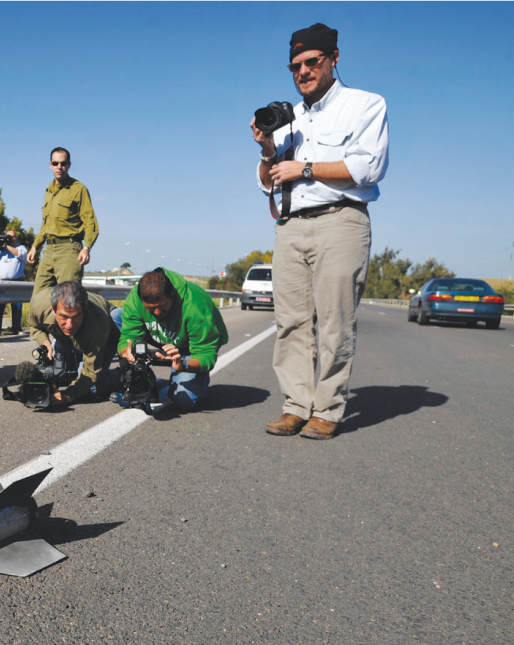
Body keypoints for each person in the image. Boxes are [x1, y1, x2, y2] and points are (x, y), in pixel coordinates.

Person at [250, 23, 389, 439]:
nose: (303, 71)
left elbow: (369, 167)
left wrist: (305, 168)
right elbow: (266, 183)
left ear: (333, 58)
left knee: (334, 322)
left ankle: (327, 409)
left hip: (341, 220)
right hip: (291, 226)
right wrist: (268, 152)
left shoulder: (365, 104)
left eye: (311, 62)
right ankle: (296, 405)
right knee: (290, 322)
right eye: (295, 66)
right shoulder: (287, 118)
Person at [117, 268, 228, 413]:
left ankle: (196, 377)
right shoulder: (135, 299)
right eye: (150, 309)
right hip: (161, 336)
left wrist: (184, 365)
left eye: (162, 306)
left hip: (189, 347)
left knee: (184, 401)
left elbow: (206, 354)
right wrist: (126, 352)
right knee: (115, 316)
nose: (157, 313)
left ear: (172, 295)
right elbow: (128, 337)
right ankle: (142, 376)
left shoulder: (194, 305)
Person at [28, 281, 123, 406]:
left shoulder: (97, 327)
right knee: (57, 376)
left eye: (76, 316)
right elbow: (34, 326)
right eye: (64, 317)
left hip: (106, 329)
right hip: (66, 340)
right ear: (53, 310)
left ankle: (126, 376)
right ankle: (74, 369)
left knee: (92, 387)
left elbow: (91, 373)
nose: (70, 325)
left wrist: (68, 396)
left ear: (84, 311)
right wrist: (45, 342)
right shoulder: (40, 304)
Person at [26, 147, 99, 294]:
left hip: (69, 250)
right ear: (50, 165)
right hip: (48, 250)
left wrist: (87, 248)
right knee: (38, 300)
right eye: (55, 163)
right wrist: (35, 246)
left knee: (68, 299)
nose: (59, 167)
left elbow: (90, 221)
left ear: (69, 165)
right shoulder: (48, 191)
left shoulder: (78, 189)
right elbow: (46, 225)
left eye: (63, 163)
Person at [0, 230, 27, 336]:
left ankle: (17, 329)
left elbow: (19, 254)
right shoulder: (0, 250)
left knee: (17, 307)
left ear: (16, 238)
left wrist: (6, 246)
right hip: (1, 282)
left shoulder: (21, 248)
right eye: (7, 236)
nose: (9, 238)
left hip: (17, 281)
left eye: (12, 236)